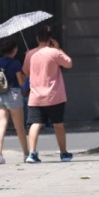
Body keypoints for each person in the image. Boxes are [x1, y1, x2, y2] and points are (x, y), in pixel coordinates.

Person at [21, 25, 73, 163]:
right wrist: (58, 48)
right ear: (50, 39)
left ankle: (31, 153)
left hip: (36, 96)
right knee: (58, 124)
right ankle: (63, 153)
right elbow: (68, 63)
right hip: (54, 95)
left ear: (37, 38)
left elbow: (26, 72)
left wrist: (28, 56)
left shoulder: (30, 54)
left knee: (35, 123)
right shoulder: (54, 52)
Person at [0, 39, 28, 164]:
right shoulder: (16, 63)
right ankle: (26, 154)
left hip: (0, 94)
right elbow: (21, 83)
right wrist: (25, 76)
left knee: (1, 125)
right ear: (14, 49)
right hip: (13, 94)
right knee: (19, 127)